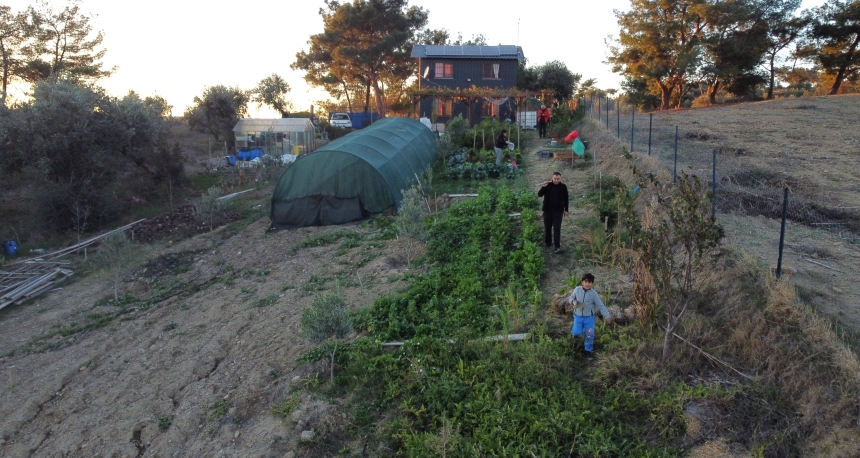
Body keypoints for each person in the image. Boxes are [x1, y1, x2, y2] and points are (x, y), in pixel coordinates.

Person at [568, 273, 613, 359]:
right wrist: (573, 301)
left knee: (590, 335)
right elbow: (570, 298)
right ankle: (576, 333)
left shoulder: (593, 294)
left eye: (590, 282)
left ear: (592, 283)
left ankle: (588, 350)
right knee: (576, 332)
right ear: (582, 282)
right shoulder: (577, 290)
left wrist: (607, 316)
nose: (587, 284)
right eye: (585, 281)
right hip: (578, 316)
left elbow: (600, 305)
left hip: (589, 318)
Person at [537, 171, 568, 252]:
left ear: (560, 179)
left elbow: (566, 199)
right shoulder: (548, 185)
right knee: (547, 227)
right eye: (555, 179)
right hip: (547, 211)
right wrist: (543, 187)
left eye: (558, 179)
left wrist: (566, 210)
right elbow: (539, 194)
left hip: (558, 211)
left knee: (557, 228)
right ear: (552, 178)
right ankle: (548, 243)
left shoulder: (563, 187)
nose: (556, 180)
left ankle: (557, 246)